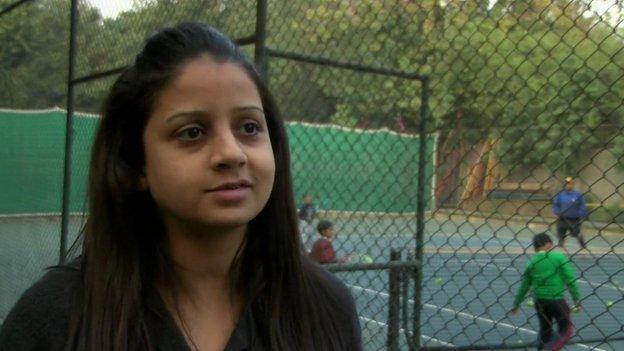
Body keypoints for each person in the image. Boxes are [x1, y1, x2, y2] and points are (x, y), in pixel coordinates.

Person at [0, 22, 361, 351]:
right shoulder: (55, 319)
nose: (231, 153)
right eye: (192, 132)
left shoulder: (327, 308)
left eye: (249, 128)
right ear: (136, 163)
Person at [511, 233, 582, 351]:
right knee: (566, 329)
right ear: (548, 245)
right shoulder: (558, 257)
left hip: (539, 301)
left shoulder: (531, 262)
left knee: (545, 330)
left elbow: (524, 286)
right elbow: (570, 279)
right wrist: (577, 299)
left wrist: (516, 304)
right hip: (557, 300)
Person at [552, 176, 588, 249]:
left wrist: (579, 214)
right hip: (562, 218)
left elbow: (582, 206)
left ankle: (583, 246)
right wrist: (557, 212)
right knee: (560, 233)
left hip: (574, 219)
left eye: (570, 183)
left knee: (576, 233)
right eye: (567, 184)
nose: (568, 185)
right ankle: (561, 246)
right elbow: (556, 205)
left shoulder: (578, 195)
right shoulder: (560, 195)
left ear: (572, 184)